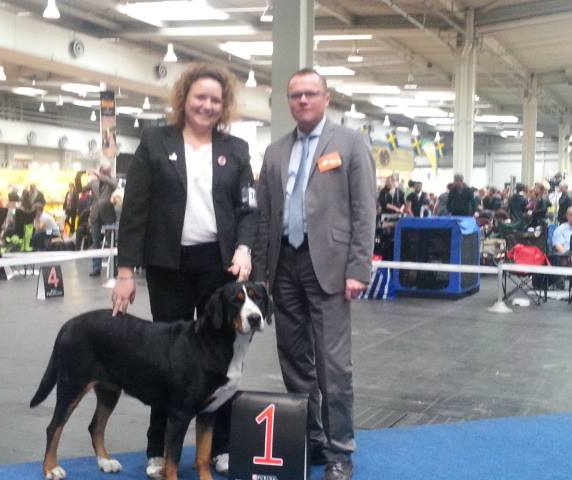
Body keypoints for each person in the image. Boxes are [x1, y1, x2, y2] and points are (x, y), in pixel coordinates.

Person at [112, 63, 258, 478]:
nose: (207, 105)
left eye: (215, 100)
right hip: (169, 266)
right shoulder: (154, 142)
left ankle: (221, 446)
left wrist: (244, 248)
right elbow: (134, 211)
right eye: (200, 97)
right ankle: (158, 448)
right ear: (184, 99)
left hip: (219, 264)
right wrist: (125, 272)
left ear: (223, 105)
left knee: (224, 357)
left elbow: (249, 208)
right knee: (168, 360)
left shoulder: (237, 149)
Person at [253, 68, 375, 480]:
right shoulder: (275, 152)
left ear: (326, 98)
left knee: (333, 365)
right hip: (283, 265)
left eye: (310, 93)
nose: (302, 100)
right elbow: (264, 215)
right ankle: (313, 439)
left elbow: (364, 210)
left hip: (332, 267)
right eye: (295, 95)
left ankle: (341, 451)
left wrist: (358, 268)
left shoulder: (351, 143)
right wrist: (261, 272)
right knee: (294, 361)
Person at [76, 163, 117, 276]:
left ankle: (114, 268)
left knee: (111, 242)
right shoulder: (93, 183)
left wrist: (98, 174)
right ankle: (96, 268)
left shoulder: (112, 181)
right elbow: (80, 189)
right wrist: (79, 176)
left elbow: (114, 185)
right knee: (95, 242)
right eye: (104, 172)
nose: (105, 174)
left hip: (108, 215)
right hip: (95, 215)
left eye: (107, 172)